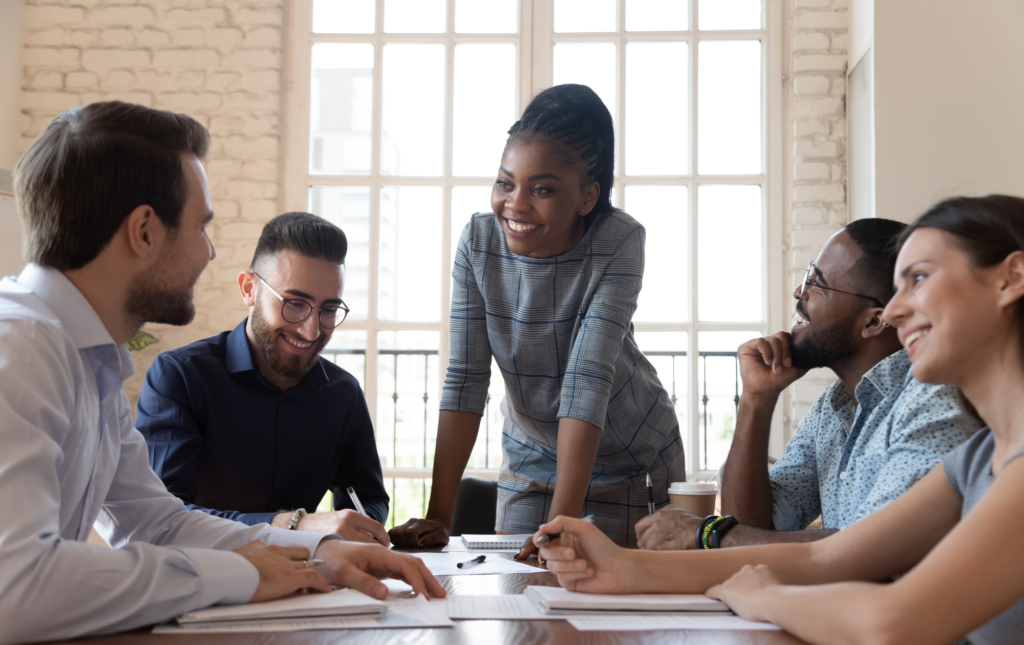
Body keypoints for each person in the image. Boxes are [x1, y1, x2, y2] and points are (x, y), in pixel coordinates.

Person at [0, 101, 443, 645]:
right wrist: (247, 573)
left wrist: (318, 551)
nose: (208, 251)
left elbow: (157, 523)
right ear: (144, 231)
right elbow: (13, 588)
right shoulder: (19, 347)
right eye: (201, 225)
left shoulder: (88, 360)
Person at [538, 195, 1024, 645]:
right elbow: (827, 556)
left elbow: (891, 620)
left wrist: (762, 595)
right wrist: (623, 566)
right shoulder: (978, 459)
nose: (896, 310)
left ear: (1012, 277)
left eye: (918, 278)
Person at [389, 84, 685, 554]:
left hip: (630, 464)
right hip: (531, 460)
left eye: (542, 189)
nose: (516, 204)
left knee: (608, 609)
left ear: (587, 197)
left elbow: (586, 382)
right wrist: (437, 518)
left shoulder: (618, 241)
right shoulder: (478, 241)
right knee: (520, 590)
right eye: (506, 183)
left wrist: (560, 524)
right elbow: (465, 377)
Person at [638, 219, 981, 550]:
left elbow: (878, 548)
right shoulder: (833, 407)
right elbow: (755, 527)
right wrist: (756, 400)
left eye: (817, 283)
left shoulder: (934, 403)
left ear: (874, 321)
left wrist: (709, 534)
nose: (799, 291)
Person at [136, 212, 390, 543]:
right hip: (205, 581)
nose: (311, 330)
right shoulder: (180, 377)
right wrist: (293, 525)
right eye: (295, 303)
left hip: (310, 583)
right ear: (249, 289)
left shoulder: (344, 393)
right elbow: (163, 519)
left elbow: (368, 498)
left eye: (328, 310)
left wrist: (361, 526)